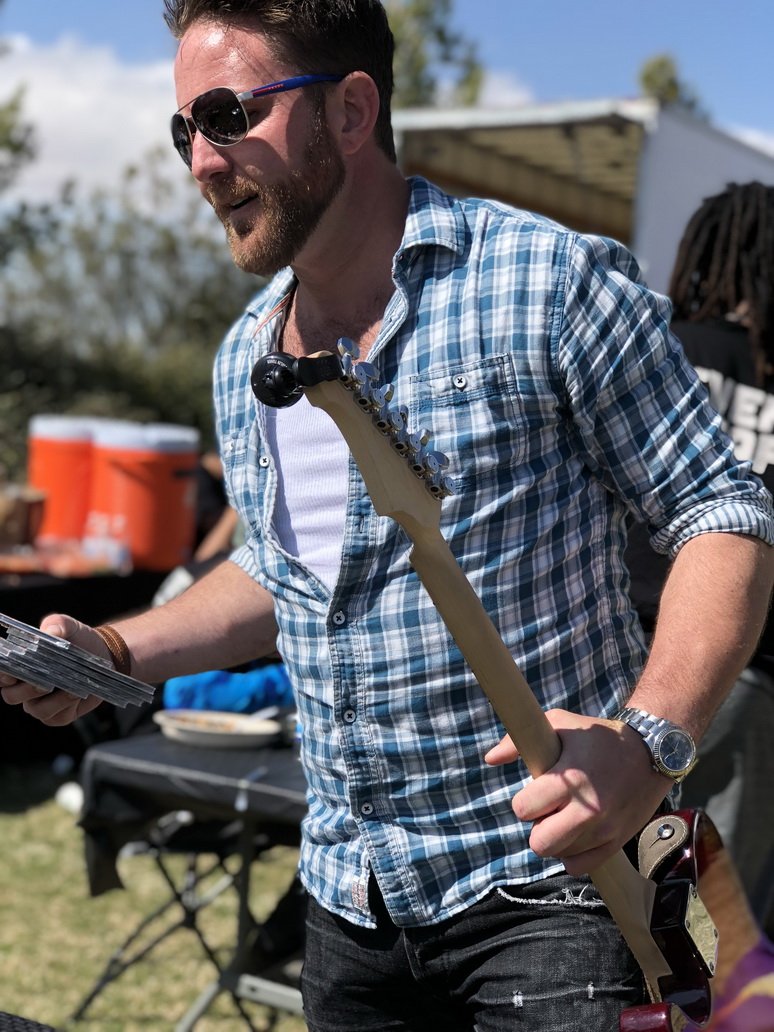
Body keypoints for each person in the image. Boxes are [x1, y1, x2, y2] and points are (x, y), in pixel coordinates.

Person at [2, 3, 773, 1029]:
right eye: (184, 128)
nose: (201, 160)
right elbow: (280, 577)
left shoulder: (548, 284)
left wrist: (648, 745)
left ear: (353, 109)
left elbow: (722, 512)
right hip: (350, 900)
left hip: (550, 891)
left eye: (228, 115)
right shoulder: (246, 359)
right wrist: (108, 645)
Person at [627, 181, 774, 939]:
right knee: (729, 931)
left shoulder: (660, 351)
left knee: (612, 903)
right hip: (746, 677)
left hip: (628, 668)